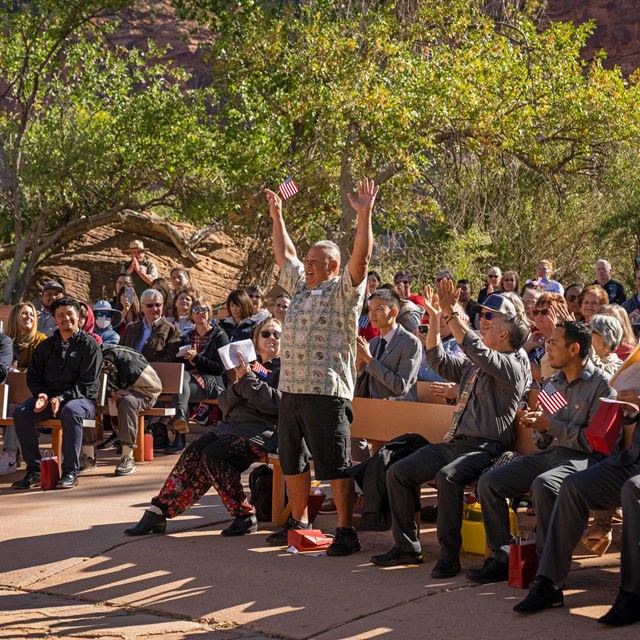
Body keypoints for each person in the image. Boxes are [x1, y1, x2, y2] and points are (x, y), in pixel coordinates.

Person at [370, 285, 531, 574]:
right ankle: (407, 547)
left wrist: (451, 313)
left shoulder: (511, 364)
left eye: (490, 318)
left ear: (505, 333)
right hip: (457, 444)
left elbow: (474, 348)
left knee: (448, 477)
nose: (483, 320)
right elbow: (438, 360)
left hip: (486, 448)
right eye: (482, 315)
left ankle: (449, 554)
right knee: (398, 471)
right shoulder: (477, 363)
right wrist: (434, 318)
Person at [263, 177, 378, 557]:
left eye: (314, 263)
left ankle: (346, 530)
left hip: (327, 391)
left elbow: (361, 259)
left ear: (332, 266)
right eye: (307, 262)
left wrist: (365, 216)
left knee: (335, 464)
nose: (305, 267)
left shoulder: (344, 291)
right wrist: (277, 215)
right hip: (292, 389)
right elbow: (286, 254)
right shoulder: (300, 286)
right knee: (293, 461)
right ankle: (300, 523)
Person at [466, 321, 614, 584]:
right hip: (549, 456)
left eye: (554, 343)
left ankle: (546, 568)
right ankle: (502, 558)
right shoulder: (553, 383)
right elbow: (541, 439)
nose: (548, 348)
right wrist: (538, 426)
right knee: (490, 482)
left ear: (574, 348)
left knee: (544, 485)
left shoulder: (600, 386)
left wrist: (551, 426)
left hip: (583, 460)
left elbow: (594, 443)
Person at [123, 317, 282, 537]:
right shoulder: (248, 366)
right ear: (256, 340)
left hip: (262, 433)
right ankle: (158, 511)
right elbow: (225, 403)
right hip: (232, 427)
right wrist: (239, 384)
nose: (271, 338)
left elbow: (277, 404)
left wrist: (247, 381)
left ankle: (244, 515)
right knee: (194, 451)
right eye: (266, 334)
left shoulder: (286, 369)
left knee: (214, 455)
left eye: (277, 334)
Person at [512, 389, 640, 623]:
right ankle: (549, 581)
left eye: (552, 348)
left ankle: (633, 593)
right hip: (632, 459)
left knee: (633, 490)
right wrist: (631, 410)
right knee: (573, 486)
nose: (547, 350)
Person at [11, 297, 103, 490]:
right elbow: (34, 377)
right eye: (60, 315)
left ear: (78, 316)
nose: (65, 318)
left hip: (81, 400)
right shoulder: (46, 346)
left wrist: (61, 398)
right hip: (48, 399)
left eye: (70, 314)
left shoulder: (89, 345)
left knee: (70, 411)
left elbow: (87, 382)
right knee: (21, 413)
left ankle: (70, 471)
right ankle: (35, 471)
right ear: (54, 319)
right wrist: (42, 395)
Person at [166, 297, 229, 454]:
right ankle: (180, 420)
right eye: (196, 310)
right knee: (182, 378)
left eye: (204, 310)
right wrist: (190, 362)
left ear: (209, 313)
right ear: (191, 315)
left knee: (180, 386)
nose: (200, 313)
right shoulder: (187, 337)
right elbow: (184, 366)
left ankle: (180, 433)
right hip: (190, 380)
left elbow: (220, 368)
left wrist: (197, 359)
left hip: (212, 383)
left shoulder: (219, 335)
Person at [100, 345, 162, 476]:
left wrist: (117, 392)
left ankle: (127, 456)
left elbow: (153, 388)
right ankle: (86, 455)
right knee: (85, 403)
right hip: (119, 389)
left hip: (145, 391)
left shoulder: (108, 360)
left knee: (127, 402)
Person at [355, 288, 422, 401]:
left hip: (398, 412)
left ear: (394, 312)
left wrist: (369, 360)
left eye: (378, 309)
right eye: (370, 309)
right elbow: (363, 390)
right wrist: (360, 368)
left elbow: (399, 386)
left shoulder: (411, 343)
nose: (372, 314)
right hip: (371, 410)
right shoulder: (372, 344)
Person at [121, 289, 181, 363]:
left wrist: (149, 368)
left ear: (163, 306)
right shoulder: (131, 328)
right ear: (141, 307)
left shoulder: (172, 330)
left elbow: (171, 357)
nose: (154, 309)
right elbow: (120, 351)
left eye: (158, 305)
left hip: (155, 372)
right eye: (150, 306)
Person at [0, 331, 15, 474]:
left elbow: (1, 371)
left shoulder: (4, 342)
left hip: (2, 396)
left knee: (15, 405)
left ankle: (11, 455)